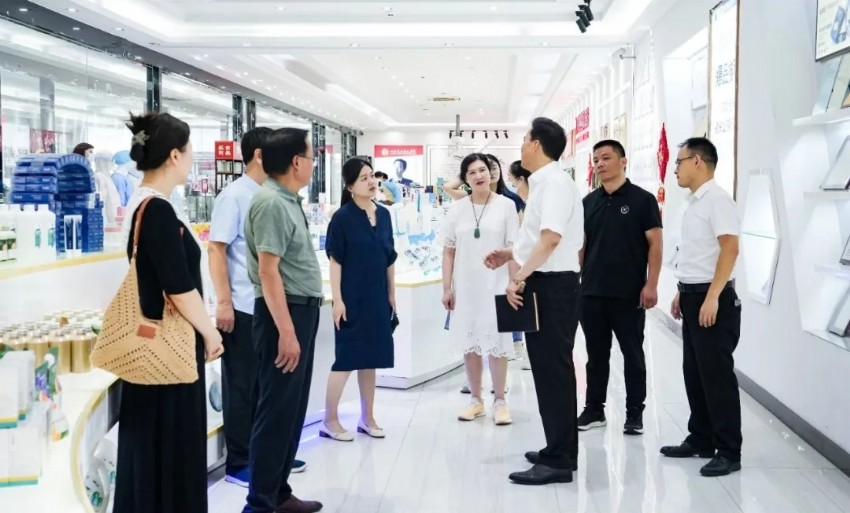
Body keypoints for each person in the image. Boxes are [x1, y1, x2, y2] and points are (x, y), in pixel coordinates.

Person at [114, 112, 224, 513]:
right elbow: (177, 286)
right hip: (170, 350)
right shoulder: (157, 209)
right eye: (190, 150)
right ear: (175, 155)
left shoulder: (142, 204)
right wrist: (209, 331)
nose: (191, 158)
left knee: (152, 448)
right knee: (173, 446)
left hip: (153, 345)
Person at [485, 117, 583, 485]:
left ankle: (558, 460)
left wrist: (520, 276)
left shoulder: (553, 183)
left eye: (525, 139)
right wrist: (511, 254)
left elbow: (551, 239)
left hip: (551, 287)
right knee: (551, 371)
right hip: (549, 282)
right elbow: (541, 240)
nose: (521, 145)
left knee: (552, 372)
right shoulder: (546, 182)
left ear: (536, 144)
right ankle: (561, 450)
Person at [208, 127, 308, 488]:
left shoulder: (276, 194)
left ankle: (267, 457)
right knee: (242, 387)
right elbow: (216, 248)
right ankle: (240, 462)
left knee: (268, 388)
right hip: (242, 305)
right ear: (260, 155)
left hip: (268, 306)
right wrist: (223, 302)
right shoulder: (235, 195)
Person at [242, 128, 324, 513]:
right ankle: (259, 504)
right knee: (275, 411)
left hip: (299, 311)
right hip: (284, 314)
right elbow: (268, 271)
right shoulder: (271, 203)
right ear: (296, 162)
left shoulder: (287, 200)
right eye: (311, 157)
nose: (313, 164)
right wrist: (287, 332)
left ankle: (278, 494)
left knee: (291, 411)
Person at [661, 137, 742, 477]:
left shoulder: (718, 200)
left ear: (697, 161)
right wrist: (682, 291)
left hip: (714, 299)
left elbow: (730, 249)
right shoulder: (694, 202)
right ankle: (701, 438)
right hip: (693, 295)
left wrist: (712, 296)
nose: (675, 169)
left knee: (717, 377)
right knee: (695, 373)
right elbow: (697, 253)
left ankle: (729, 451)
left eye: (679, 162)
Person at [577, 139, 663, 436]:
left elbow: (655, 245)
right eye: (596, 160)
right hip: (591, 292)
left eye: (606, 158)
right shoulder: (588, 202)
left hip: (629, 293)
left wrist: (651, 284)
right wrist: (577, 281)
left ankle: (634, 413)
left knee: (632, 354)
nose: (600, 164)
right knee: (595, 355)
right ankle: (594, 409)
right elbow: (582, 246)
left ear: (623, 161)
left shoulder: (643, 200)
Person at [320, 158, 397, 442]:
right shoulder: (342, 218)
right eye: (364, 178)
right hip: (352, 298)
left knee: (370, 359)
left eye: (372, 176)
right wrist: (337, 300)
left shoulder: (384, 215)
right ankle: (330, 420)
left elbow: (390, 257)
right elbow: (336, 261)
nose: (372, 181)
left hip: (377, 297)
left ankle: (368, 418)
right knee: (346, 359)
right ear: (350, 187)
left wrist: (392, 293)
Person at [442, 153, 519, 425]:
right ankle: (476, 400)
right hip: (466, 287)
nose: (479, 175)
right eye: (472, 172)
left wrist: (514, 282)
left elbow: (514, 248)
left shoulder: (506, 206)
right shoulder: (457, 209)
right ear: (465, 179)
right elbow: (448, 251)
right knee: (470, 342)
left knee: (497, 343)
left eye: (482, 170)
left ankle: (500, 401)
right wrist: (447, 288)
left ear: (491, 172)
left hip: (496, 284)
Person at [506, 160, 533, 372]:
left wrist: (518, 276)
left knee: (522, 307)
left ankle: (520, 347)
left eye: (512, 181)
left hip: (528, 265)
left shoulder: (525, 203)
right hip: (520, 263)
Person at [92, 151, 120, 225]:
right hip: (107, 220)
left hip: (113, 219)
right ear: (103, 162)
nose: (112, 163)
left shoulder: (107, 176)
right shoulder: (99, 176)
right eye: (110, 161)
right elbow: (102, 200)